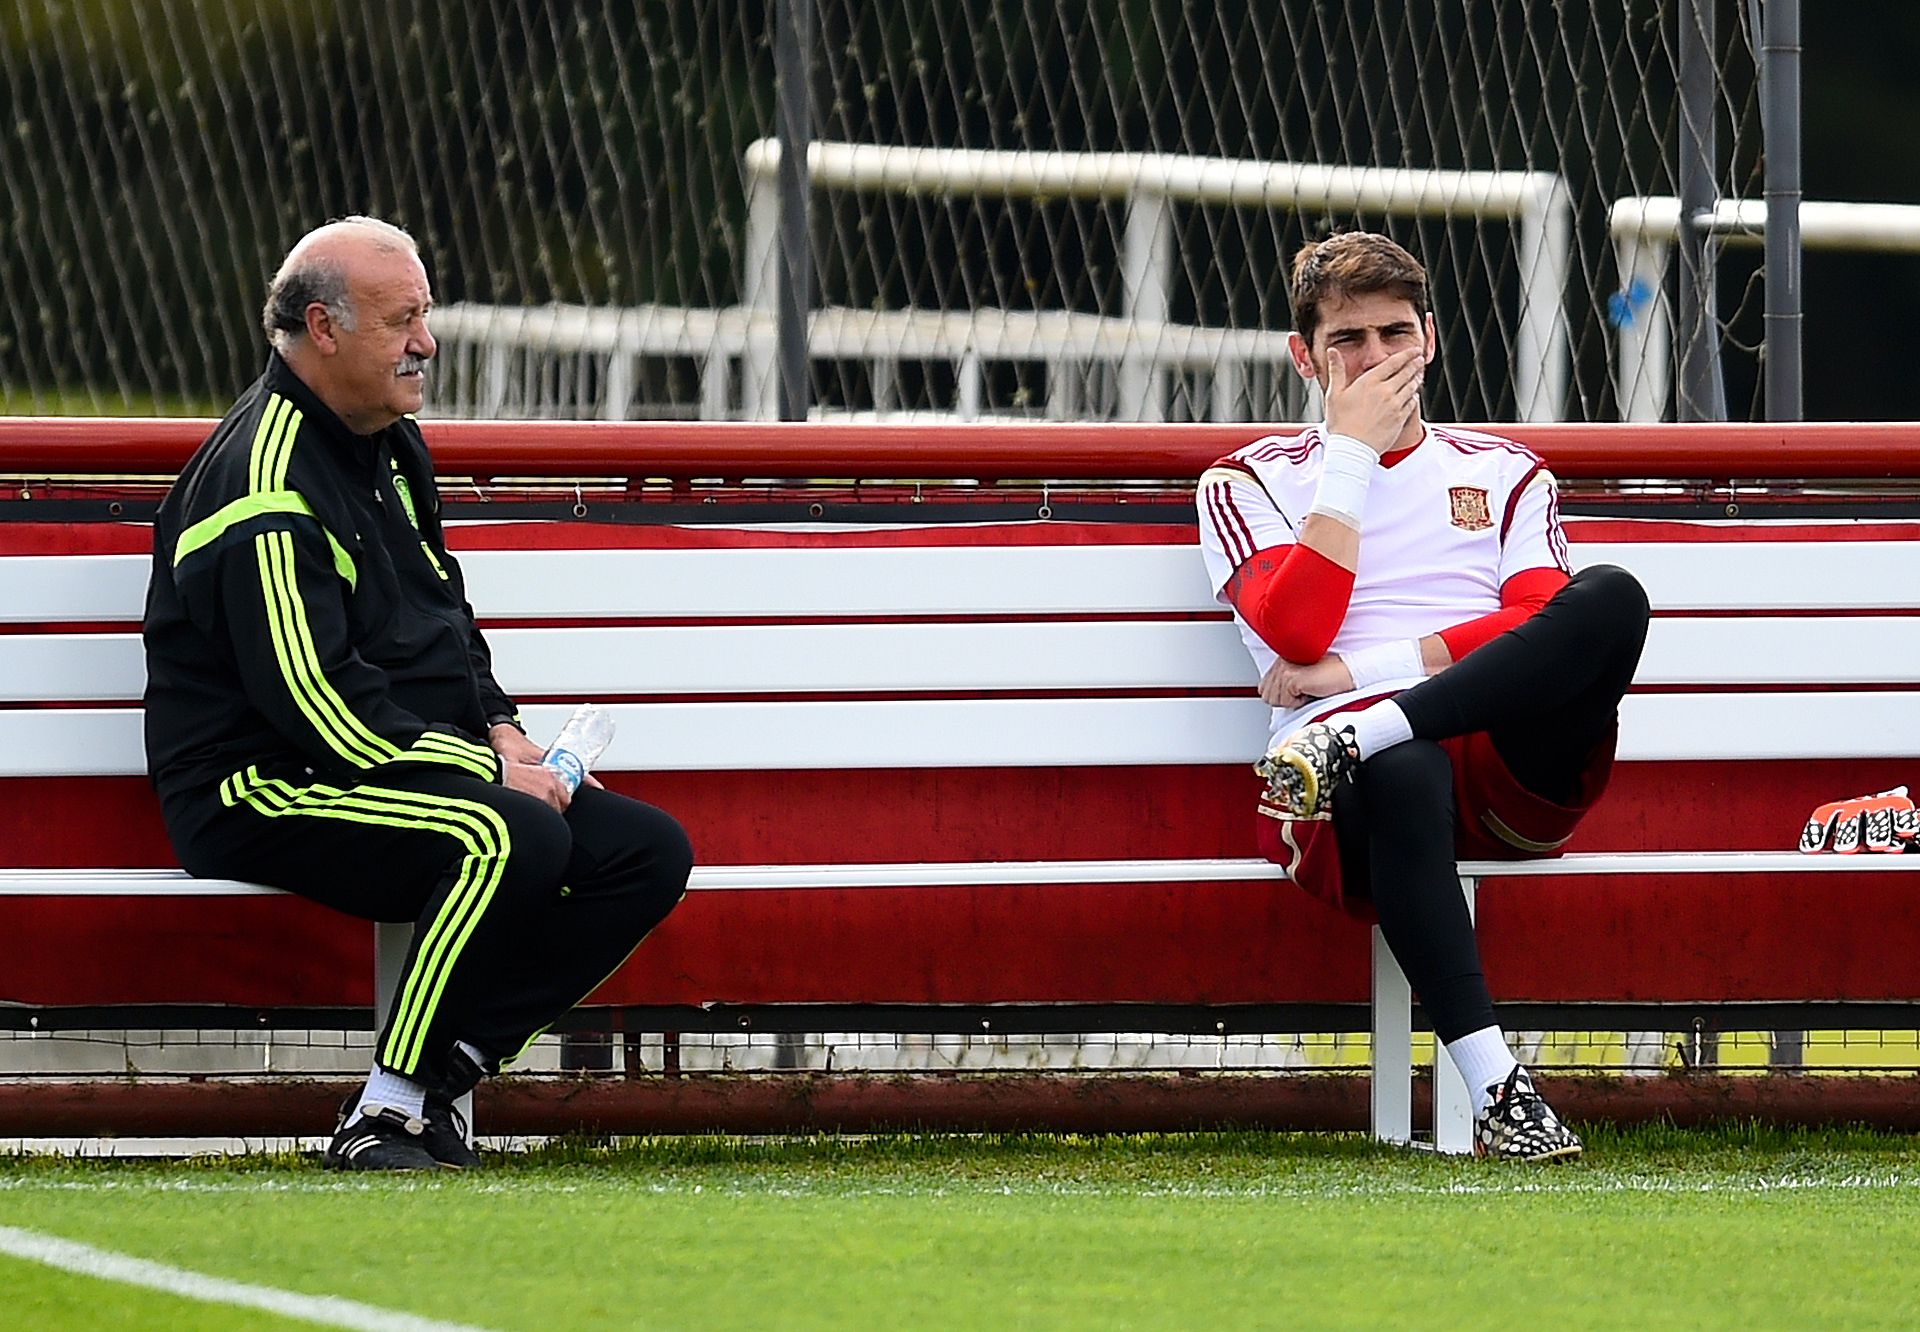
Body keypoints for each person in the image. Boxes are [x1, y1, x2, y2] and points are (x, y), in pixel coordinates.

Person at [143, 216, 693, 1170]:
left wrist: (503, 730)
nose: (426, 343)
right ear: (323, 328)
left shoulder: (391, 443)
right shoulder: (262, 482)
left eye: (424, 316)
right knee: (506, 834)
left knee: (647, 851)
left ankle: (446, 1077)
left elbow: (445, 618)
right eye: (403, 321)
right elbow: (317, 708)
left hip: (382, 757)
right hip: (259, 783)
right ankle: (382, 1118)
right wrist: (487, 773)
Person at [1196, 231, 1649, 1162]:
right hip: (1338, 800)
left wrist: (1366, 683)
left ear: (1431, 338)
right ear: (1304, 357)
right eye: (1347, 342)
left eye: (1394, 335)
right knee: (1398, 767)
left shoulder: (1504, 470)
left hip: (1497, 769)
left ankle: (1372, 730)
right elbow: (1297, 634)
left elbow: (1538, 628)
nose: (1375, 361)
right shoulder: (1246, 480)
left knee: (1610, 598)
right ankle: (1503, 1092)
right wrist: (1349, 457)